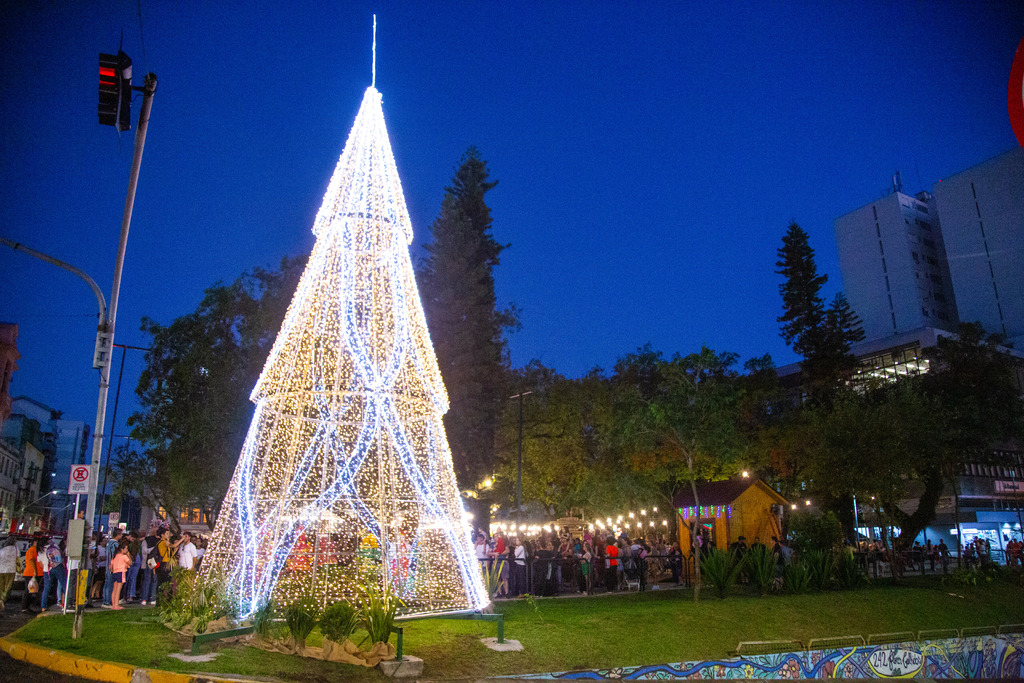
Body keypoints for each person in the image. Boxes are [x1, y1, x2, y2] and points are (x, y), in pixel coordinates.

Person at [22, 536, 45, 613]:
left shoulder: (35, 549)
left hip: (35, 573)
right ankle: (25, 607)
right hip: (31, 573)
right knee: (29, 590)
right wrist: (35, 571)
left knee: (32, 590)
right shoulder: (32, 550)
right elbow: (31, 560)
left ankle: (27, 607)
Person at [41, 536, 65, 611]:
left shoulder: (40, 549)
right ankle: (65, 602)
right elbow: (61, 557)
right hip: (57, 566)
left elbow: (40, 562)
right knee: (64, 584)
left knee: (46, 588)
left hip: (46, 569)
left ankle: (43, 606)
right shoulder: (55, 546)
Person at [109, 543, 131, 610]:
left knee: (114, 589)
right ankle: (116, 605)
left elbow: (111, 566)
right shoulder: (124, 556)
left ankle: (113, 604)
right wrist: (128, 555)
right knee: (118, 589)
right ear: (122, 550)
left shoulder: (115, 556)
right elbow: (130, 563)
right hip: (121, 572)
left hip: (115, 572)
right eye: (126, 548)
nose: (127, 550)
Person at [0, 538, 17, 612]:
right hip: (10, 570)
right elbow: (18, 559)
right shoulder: (15, 549)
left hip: (1, 570)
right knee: (8, 586)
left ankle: (1, 599)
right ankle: (3, 599)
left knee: (1, 586)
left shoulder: (2, 551)